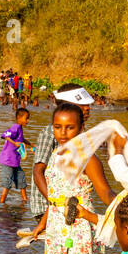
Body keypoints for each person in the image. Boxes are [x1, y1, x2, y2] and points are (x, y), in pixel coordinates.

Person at [34, 102, 115, 254]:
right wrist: (43, 221)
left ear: (81, 128)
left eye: (70, 127)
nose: (63, 133)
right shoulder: (55, 154)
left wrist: (125, 203)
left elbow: (105, 192)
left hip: (78, 230)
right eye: (58, 127)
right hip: (55, 228)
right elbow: (55, 196)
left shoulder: (88, 158)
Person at [20, 85, 90, 244]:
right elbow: (38, 172)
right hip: (49, 205)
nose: (87, 108)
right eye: (82, 104)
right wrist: (55, 203)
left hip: (68, 205)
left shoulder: (82, 134)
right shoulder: (51, 132)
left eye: (88, 105)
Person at [0, 108, 31, 206]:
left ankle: (25, 200)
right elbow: (5, 135)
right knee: (7, 183)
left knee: (21, 179)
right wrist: (14, 143)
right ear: (19, 118)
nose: (28, 121)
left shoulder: (20, 128)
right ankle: (1, 203)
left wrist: (32, 145)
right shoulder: (15, 127)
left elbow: (21, 139)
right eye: (26, 118)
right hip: (8, 160)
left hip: (15, 161)